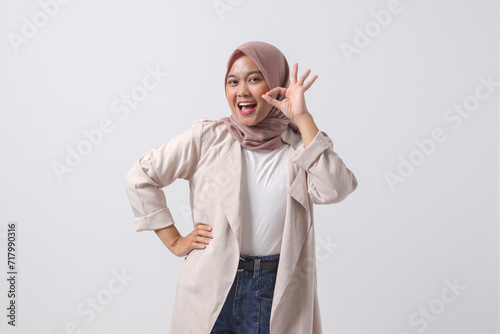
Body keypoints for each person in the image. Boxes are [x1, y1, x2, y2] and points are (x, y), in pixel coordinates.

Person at [124, 41, 358, 334]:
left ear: (275, 84)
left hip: (276, 290)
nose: (242, 91)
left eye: (254, 79)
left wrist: (301, 117)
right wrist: (174, 240)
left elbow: (337, 188)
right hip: (212, 284)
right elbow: (141, 177)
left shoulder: (302, 145)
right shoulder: (207, 138)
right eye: (232, 81)